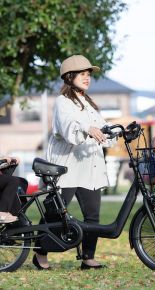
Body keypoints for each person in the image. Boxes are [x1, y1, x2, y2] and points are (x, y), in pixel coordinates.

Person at [33, 55, 116, 270]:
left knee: (92, 215)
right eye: (82, 74)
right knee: (54, 214)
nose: (87, 78)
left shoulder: (88, 104)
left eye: (89, 74)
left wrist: (118, 131)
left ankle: (88, 258)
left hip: (89, 167)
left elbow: (103, 128)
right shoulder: (63, 103)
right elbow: (70, 127)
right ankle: (40, 254)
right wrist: (87, 129)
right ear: (70, 77)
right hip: (66, 168)